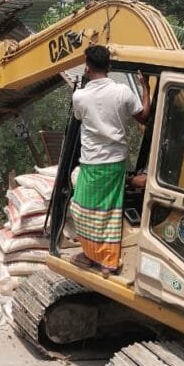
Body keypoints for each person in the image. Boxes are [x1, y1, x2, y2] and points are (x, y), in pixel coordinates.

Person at [69, 45, 151, 276]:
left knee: (88, 210)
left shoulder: (80, 96)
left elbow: (78, 117)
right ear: (110, 66)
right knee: (100, 210)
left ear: (86, 66)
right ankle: (92, 254)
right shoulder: (123, 92)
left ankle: (108, 261)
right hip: (112, 162)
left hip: (95, 161)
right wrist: (145, 87)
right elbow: (143, 115)